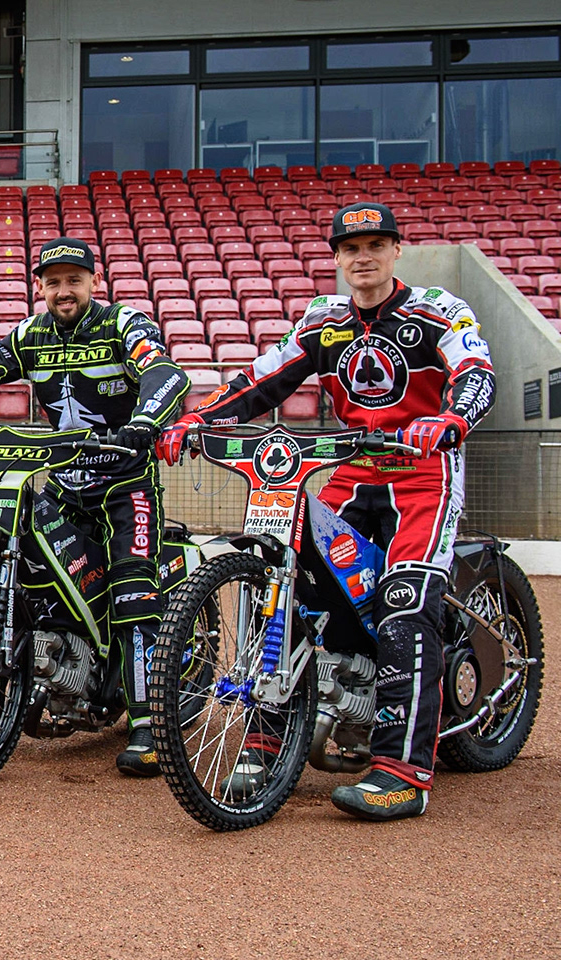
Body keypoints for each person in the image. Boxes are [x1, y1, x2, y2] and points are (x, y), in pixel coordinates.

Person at [158, 202, 494, 820]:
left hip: (424, 476)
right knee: (286, 580)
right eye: (351, 248)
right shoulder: (323, 320)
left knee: (405, 603)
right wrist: (196, 419)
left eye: (375, 245)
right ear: (337, 257)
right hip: (350, 471)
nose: (363, 257)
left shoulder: (439, 310)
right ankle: (265, 741)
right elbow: (260, 380)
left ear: (396, 250)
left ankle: (403, 774)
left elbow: (477, 374)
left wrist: (451, 419)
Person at [0, 237, 187, 776]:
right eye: (53, 282)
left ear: (93, 282)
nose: (63, 290)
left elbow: (166, 374)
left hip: (126, 485)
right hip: (65, 484)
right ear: (41, 288)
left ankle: (150, 725)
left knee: (131, 591)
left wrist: (145, 421)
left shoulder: (123, 323)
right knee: (13, 583)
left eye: (74, 279)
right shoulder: (29, 335)